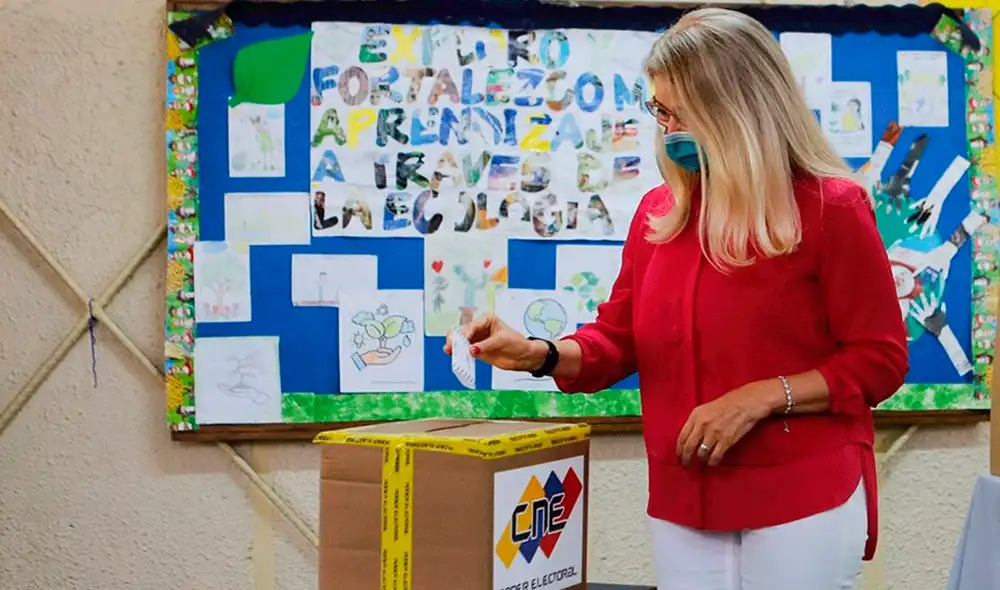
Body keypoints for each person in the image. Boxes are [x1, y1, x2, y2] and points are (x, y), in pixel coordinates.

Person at [446, 8, 908, 590]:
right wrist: (538, 353)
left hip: (803, 490)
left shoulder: (830, 208)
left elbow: (879, 360)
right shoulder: (657, 216)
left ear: (739, 111)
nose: (668, 131)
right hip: (684, 498)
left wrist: (762, 398)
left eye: (682, 114)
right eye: (660, 111)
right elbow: (616, 342)